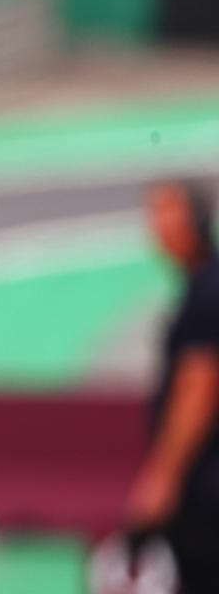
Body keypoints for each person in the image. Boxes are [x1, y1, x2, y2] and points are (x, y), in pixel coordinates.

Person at [126, 180, 219, 592]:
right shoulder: (198, 286)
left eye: (169, 213)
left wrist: (163, 476)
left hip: (207, 483)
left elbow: (199, 384)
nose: (160, 226)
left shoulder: (208, 293)